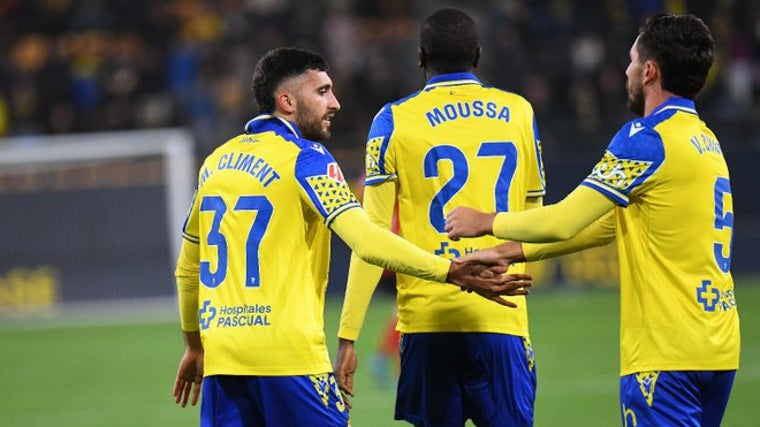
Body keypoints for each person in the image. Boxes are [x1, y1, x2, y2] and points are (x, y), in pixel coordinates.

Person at [171, 47, 532, 427]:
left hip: (222, 361)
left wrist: (194, 345)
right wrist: (450, 269)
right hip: (288, 359)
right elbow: (366, 238)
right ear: (288, 100)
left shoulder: (215, 163)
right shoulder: (307, 158)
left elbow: (187, 270)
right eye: (323, 92)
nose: (336, 104)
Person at [446, 13, 740, 427]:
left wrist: (487, 221)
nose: (626, 71)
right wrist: (506, 253)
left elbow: (565, 219)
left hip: (666, 355)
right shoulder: (705, 140)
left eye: (631, 61)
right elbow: (599, 227)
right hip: (718, 348)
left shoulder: (647, 139)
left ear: (650, 71)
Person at [334, 9, 547, 426]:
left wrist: (348, 335)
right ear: (478, 55)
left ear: (420, 57)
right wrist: (509, 266)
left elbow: (369, 234)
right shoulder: (519, 112)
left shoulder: (391, 120)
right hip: (500, 317)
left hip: (427, 324)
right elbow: (537, 216)